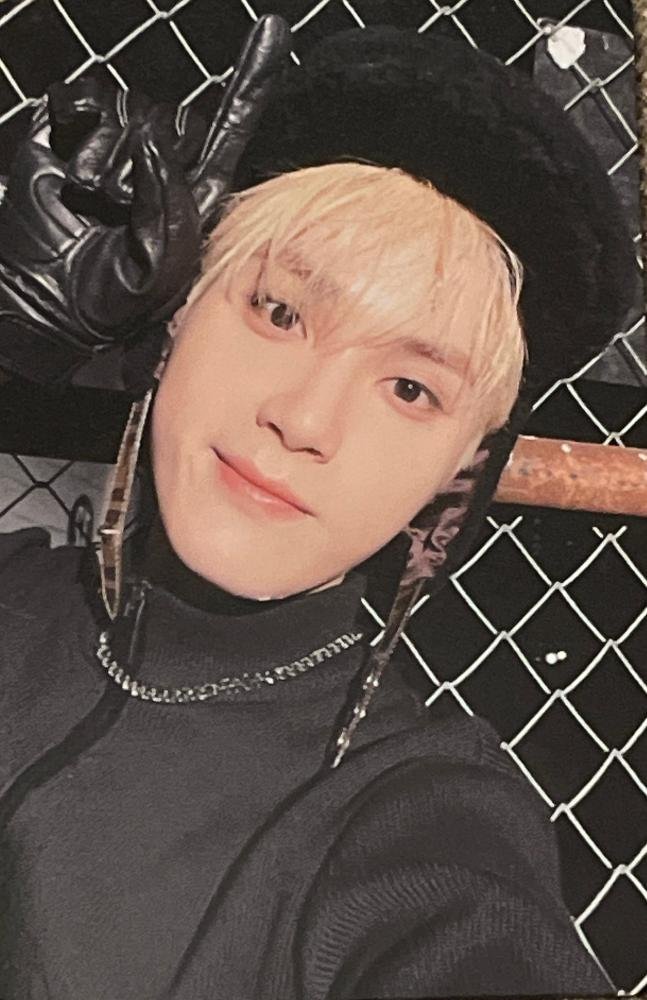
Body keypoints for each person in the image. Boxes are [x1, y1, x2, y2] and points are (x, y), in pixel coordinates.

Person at [0, 17, 636, 1000]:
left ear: (459, 467)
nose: (302, 420)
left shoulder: (413, 821)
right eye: (280, 312)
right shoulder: (16, 595)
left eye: (409, 389)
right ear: (176, 313)